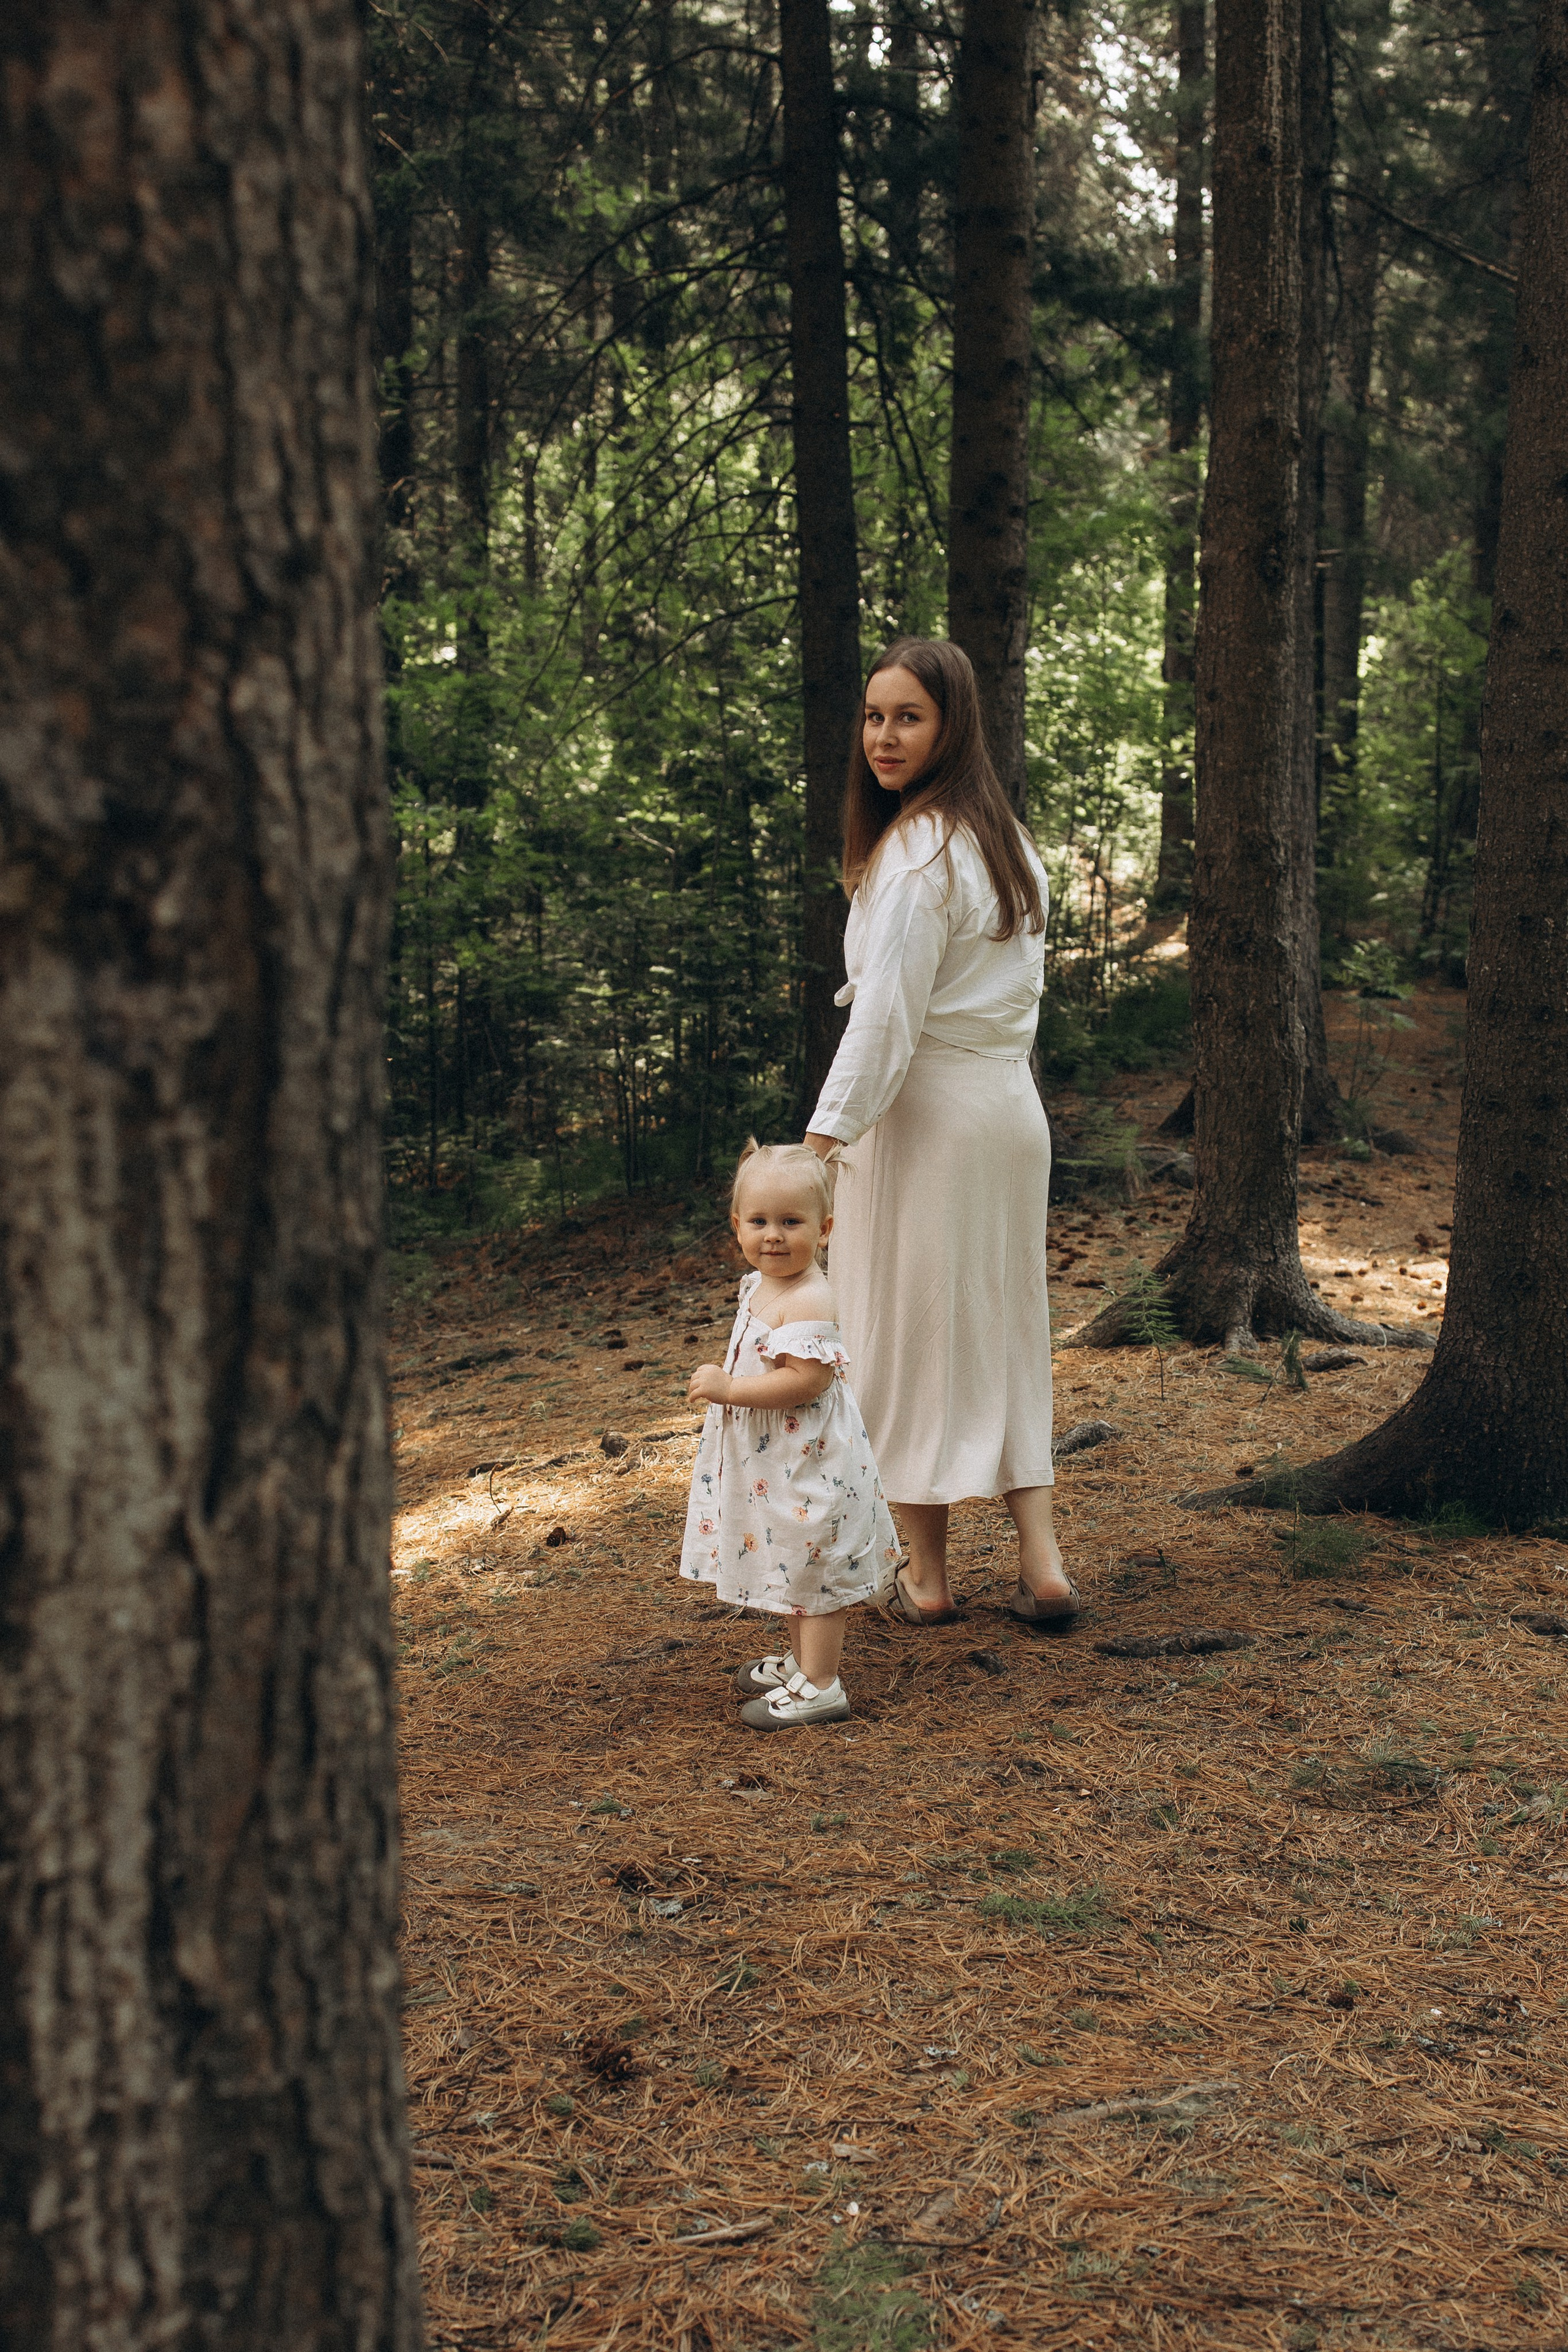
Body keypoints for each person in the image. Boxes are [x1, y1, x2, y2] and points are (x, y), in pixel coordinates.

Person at [802, 635, 1077, 1627]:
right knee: (1005, 1330)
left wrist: (823, 1144)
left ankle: (926, 1575)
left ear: (951, 725)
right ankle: (1041, 1560)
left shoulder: (918, 852)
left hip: (927, 1119)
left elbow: (886, 1022)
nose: (883, 735)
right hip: (1007, 1112)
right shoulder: (1004, 842)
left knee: (909, 1338)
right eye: (873, 717)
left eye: (907, 717)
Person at [679, 1140, 901, 1728]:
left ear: (824, 1229)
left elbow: (804, 1381)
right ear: (737, 1227)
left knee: (815, 1568)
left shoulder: (809, 1298)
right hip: (777, 1461)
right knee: (789, 1561)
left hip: (811, 1463)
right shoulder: (760, 1285)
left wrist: (729, 1389)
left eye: (791, 1222)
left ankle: (823, 1685)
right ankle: (801, 1665)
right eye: (759, 1222)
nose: (773, 1236)